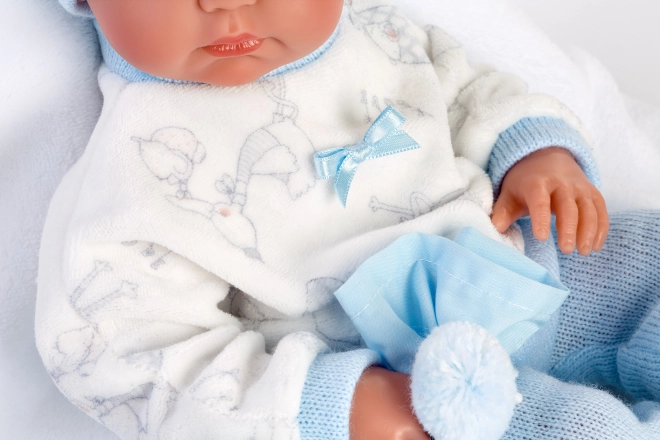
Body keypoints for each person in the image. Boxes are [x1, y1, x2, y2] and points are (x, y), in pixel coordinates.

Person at [38, 0, 660, 439]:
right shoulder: (135, 170)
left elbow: (469, 89)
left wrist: (534, 153)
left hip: (527, 263)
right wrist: (328, 403)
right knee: (583, 428)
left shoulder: (377, 33)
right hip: (410, 380)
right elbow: (128, 357)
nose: (227, 3)